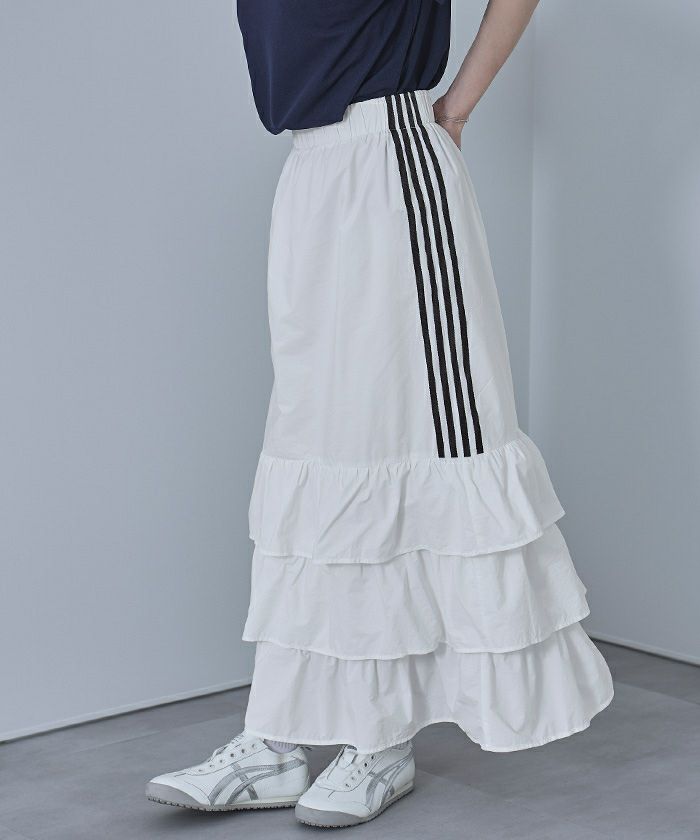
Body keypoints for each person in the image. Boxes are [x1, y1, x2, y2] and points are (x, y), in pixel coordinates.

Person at [146, 0, 613, 828]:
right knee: (318, 457)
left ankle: (381, 739)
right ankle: (278, 733)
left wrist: (455, 108)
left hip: (390, 164)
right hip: (311, 171)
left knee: (416, 452)